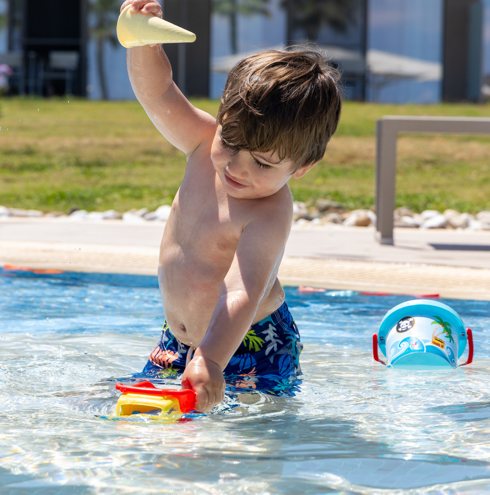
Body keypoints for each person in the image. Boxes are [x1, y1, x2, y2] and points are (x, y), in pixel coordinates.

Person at [121, 0, 342, 412]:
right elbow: (157, 94)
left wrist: (210, 359)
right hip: (178, 343)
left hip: (249, 346)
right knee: (139, 421)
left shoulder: (268, 212)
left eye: (261, 162)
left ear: (302, 168)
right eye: (231, 142)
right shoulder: (202, 144)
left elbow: (242, 293)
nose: (237, 166)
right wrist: (143, 44)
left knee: (240, 442)